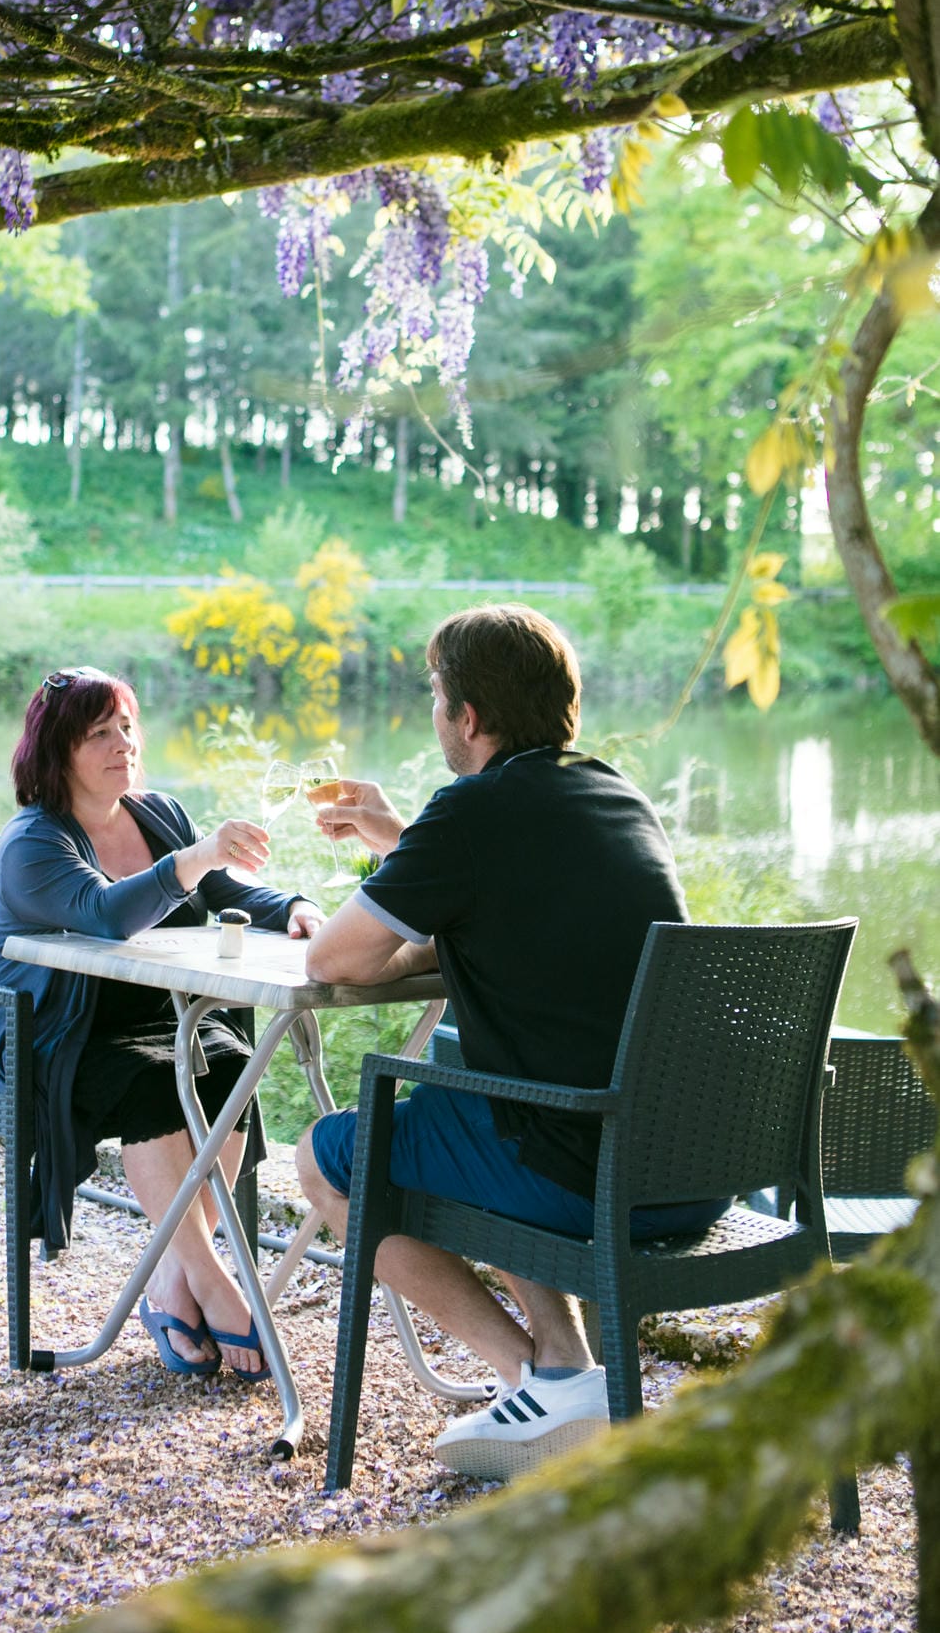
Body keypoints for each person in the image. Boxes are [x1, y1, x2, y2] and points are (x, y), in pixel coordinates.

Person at [295, 605, 730, 1479]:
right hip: (695, 1167)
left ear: (466, 716)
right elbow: (508, 904)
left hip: (594, 1177)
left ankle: (529, 1375)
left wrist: (408, 855)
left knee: (326, 1157)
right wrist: (401, 838)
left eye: (435, 696)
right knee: (475, 1093)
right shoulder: (613, 794)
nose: (433, 713)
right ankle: (566, 1368)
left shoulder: (472, 814)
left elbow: (336, 957)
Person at [0, 665, 323, 1380]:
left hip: (153, 1015)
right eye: (99, 733)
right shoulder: (34, 842)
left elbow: (225, 887)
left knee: (228, 1070)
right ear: (57, 751)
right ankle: (217, 1287)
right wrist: (194, 858)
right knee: (159, 1084)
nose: (121, 744)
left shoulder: (157, 812)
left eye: (127, 727)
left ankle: (166, 1283)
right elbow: (105, 916)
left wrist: (288, 906)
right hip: (47, 1032)